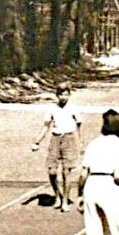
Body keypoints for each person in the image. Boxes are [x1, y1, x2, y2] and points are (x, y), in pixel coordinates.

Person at [32, 82, 82, 212]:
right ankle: (57, 195)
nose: (63, 97)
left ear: (69, 95)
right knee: (52, 171)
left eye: (66, 95)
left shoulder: (73, 108)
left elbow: (78, 126)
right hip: (55, 138)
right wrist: (37, 141)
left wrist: (80, 143)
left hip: (69, 139)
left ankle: (65, 200)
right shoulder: (52, 109)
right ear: (57, 95)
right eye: (61, 94)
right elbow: (46, 126)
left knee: (66, 171)